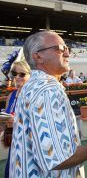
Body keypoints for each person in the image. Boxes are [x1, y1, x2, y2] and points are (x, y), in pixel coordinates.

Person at [9, 31, 87, 177]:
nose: (67, 53)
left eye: (67, 49)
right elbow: (55, 159)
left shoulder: (33, 85)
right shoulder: (47, 90)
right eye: (60, 49)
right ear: (38, 56)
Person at [1, 50, 31, 178]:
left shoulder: (33, 96)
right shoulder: (11, 96)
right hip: (13, 150)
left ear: (30, 75)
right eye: (14, 73)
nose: (17, 77)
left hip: (29, 152)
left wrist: (17, 122)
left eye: (22, 74)